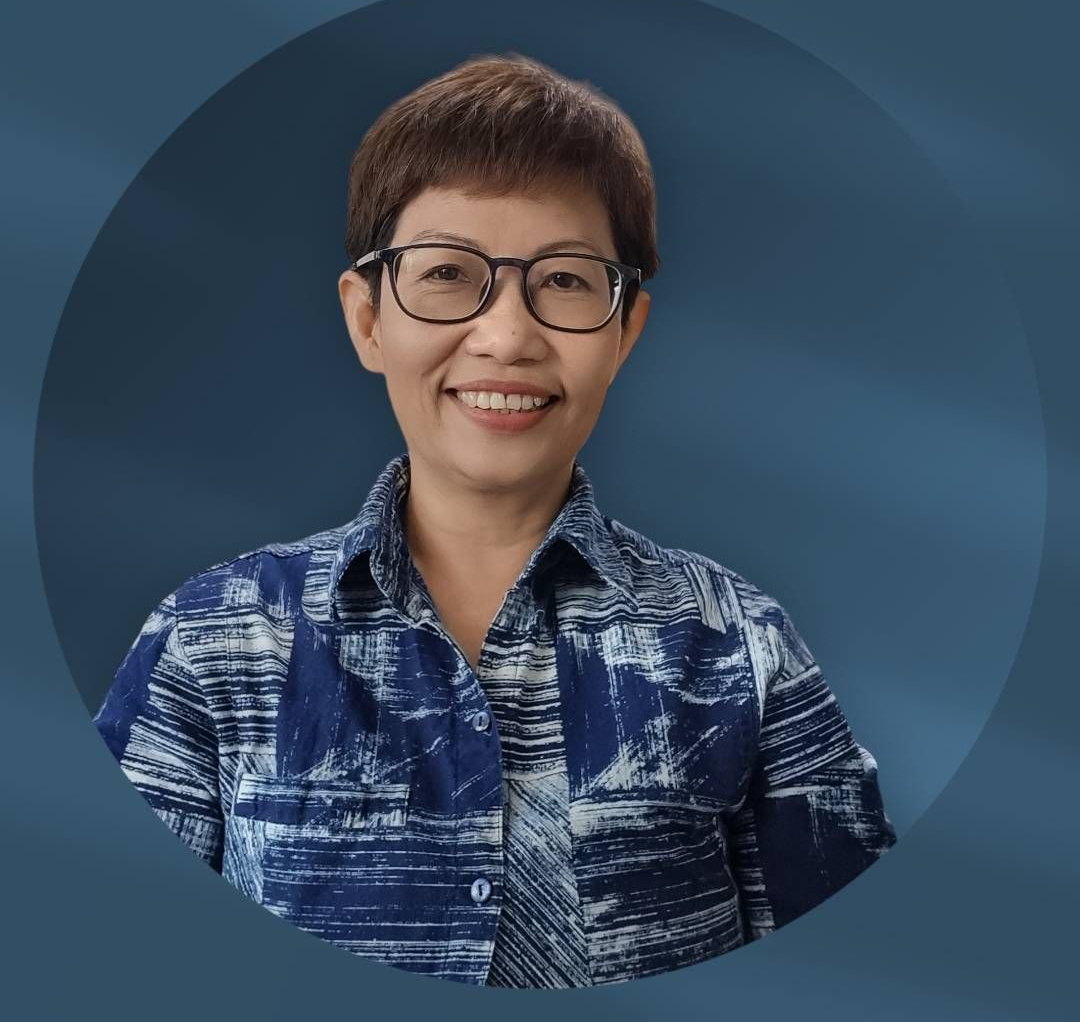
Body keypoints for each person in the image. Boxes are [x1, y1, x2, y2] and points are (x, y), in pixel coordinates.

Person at [93, 52, 897, 988]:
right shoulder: (212, 640)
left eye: (563, 281)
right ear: (366, 319)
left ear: (626, 326)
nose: (508, 336)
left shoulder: (740, 648)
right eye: (446, 273)